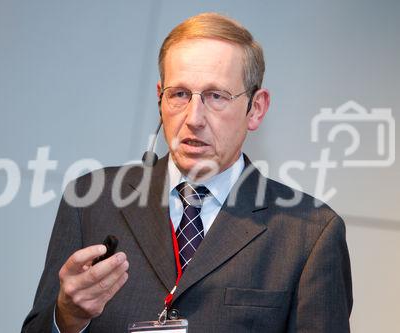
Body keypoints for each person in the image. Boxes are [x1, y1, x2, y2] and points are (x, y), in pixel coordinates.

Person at [22, 13, 353, 332]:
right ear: (160, 99)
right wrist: (67, 318)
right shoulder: (91, 201)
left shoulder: (309, 234)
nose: (194, 117)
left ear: (256, 108)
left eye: (216, 96)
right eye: (180, 94)